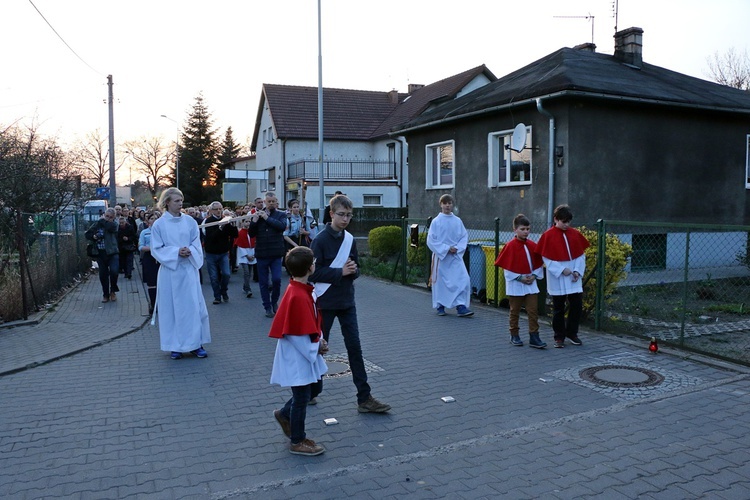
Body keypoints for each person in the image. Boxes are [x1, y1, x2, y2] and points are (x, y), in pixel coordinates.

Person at [310, 194, 391, 413]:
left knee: (355, 348)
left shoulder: (349, 239)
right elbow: (312, 273)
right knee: (316, 349)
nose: (345, 219)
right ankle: (310, 390)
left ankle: (364, 398)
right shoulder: (319, 240)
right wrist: (340, 272)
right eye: (341, 215)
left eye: (349, 215)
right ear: (331, 214)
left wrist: (353, 271)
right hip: (324, 304)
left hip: (346, 302)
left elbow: (355, 268)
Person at [269, 246, 329, 456]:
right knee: (302, 396)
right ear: (310, 267)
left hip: (306, 352)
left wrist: (319, 339)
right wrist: (316, 347)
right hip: (299, 355)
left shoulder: (302, 290)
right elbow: (295, 333)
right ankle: (297, 440)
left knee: (314, 388)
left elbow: (310, 321)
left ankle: (285, 414)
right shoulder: (297, 295)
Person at [150, 187, 211, 360]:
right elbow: (156, 248)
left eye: (181, 201)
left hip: (188, 270)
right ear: (167, 202)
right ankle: (174, 345)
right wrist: (176, 252)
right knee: (171, 309)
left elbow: (196, 243)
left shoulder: (190, 222)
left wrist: (189, 250)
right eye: (177, 201)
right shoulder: (159, 224)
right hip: (170, 272)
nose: (180, 204)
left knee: (193, 307)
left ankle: (195, 344)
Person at [535, 204, 590, 348]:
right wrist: (560, 270)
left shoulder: (575, 234)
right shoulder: (547, 236)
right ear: (556, 219)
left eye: (568, 222)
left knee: (576, 306)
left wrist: (578, 271)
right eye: (563, 221)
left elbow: (581, 255)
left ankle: (572, 333)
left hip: (573, 278)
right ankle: (559, 336)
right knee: (558, 308)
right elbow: (546, 258)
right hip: (558, 278)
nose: (566, 225)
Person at [494, 214, 546, 348]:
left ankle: (534, 336)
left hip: (530, 282)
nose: (526, 232)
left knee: (533, 310)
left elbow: (538, 263)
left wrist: (534, 276)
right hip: (517, 283)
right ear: (515, 230)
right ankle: (514, 334)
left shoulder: (532, 245)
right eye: (523, 229)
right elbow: (507, 266)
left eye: (528, 229)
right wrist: (520, 277)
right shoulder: (510, 246)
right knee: (514, 310)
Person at [426, 194, 474, 317]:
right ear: (441, 204)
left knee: (463, 279)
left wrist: (457, 248)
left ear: (453, 205)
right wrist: (446, 249)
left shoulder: (458, 221)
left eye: (450, 203)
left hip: (455, 257)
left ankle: (461, 306)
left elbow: (464, 236)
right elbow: (431, 240)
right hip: (441, 258)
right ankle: (440, 305)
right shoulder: (436, 222)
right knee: (441, 283)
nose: (447, 205)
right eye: (445, 203)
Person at [248, 192, 287, 318]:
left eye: (273, 201)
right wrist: (254, 222)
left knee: (276, 279)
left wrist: (266, 218)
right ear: (265, 202)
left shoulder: (281, 214)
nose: (271, 203)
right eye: (268, 201)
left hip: (276, 253)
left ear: (276, 202)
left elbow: (281, 227)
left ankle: (274, 301)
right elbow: (251, 234)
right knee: (263, 282)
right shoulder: (257, 215)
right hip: (262, 253)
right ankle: (267, 307)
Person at [203, 202, 238, 305]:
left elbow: (235, 235)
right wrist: (220, 227)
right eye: (216, 209)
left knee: (226, 274)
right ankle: (217, 296)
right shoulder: (208, 221)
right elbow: (211, 237)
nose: (218, 211)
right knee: (214, 277)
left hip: (223, 252)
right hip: (211, 253)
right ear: (211, 211)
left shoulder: (225, 220)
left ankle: (224, 290)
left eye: (220, 209)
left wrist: (233, 226)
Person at [85, 208, 120, 303]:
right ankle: (105, 294)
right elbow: (87, 234)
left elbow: (110, 227)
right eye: (107, 216)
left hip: (112, 252)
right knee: (103, 274)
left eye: (110, 217)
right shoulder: (97, 224)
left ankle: (113, 291)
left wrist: (102, 220)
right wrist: (94, 236)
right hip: (100, 252)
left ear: (114, 218)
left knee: (114, 271)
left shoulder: (114, 224)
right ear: (104, 214)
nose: (108, 218)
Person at [138, 210, 161, 314]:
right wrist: (151, 248)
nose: (154, 220)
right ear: (148, 221)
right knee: (152, 282)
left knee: (162, 282)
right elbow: (141, 246)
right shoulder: (145, 232)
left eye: (156, 218)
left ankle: (162, 304)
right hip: (149, 257)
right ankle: (153, 303)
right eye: (152, 219)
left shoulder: (163, 232)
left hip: (161, 258)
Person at [235, 218, 255, 298]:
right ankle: (248, 289)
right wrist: (247, 255)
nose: (248, 223)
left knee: (249, 273)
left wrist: (253, 255)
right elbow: (240, 245)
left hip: (252, 253)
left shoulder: (252, 232)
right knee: (246, 272)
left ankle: (245, 286)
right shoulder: (240, 233)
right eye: (246, 222)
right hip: (244, 255)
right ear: (242, 223)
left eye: (249, 221)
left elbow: (255, 243)